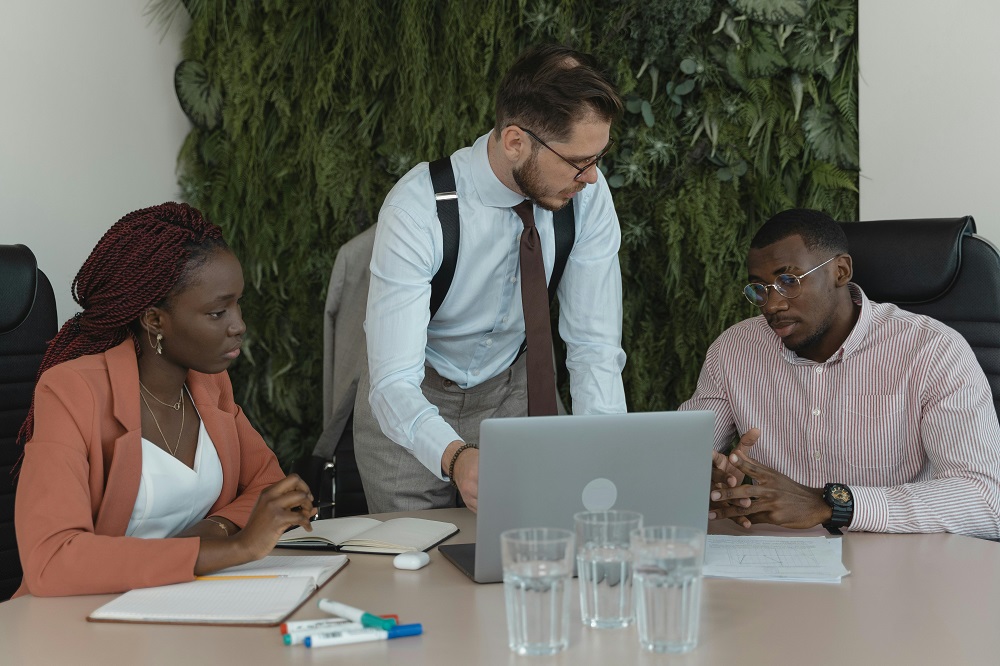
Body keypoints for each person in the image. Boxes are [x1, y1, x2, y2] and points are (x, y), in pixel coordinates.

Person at [355, 44, 628, 513]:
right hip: (413, 400)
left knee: (535, 550)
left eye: (599, 157)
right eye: (580, 162)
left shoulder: (587, 196)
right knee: (417, 571)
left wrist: (602, 457)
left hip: (517, 390)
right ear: (515, 142)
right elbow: (393, 381)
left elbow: (594, 349)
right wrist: (456, 456)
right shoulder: (418, 209)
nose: (592, 178)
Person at [13, 203, 316, 598]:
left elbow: (269, 484)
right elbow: (51, 560)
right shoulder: (71, 391)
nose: (238, 324)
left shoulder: (210, 385)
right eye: (217, 311)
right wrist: (232, 548)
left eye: (239, 304)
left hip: (188, 602)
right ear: (155, 320)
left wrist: (215, 530)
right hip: (89, 618)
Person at [680, 208, 1000, 539]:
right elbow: (678, 458)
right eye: (759, 288)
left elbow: (988, 501)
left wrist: (833, 505)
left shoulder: (932, 351)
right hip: (775, 564)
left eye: (788, 281)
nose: (771, 304)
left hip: (897, 568)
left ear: (840, 271)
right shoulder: (734, 349)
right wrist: (701, 478)